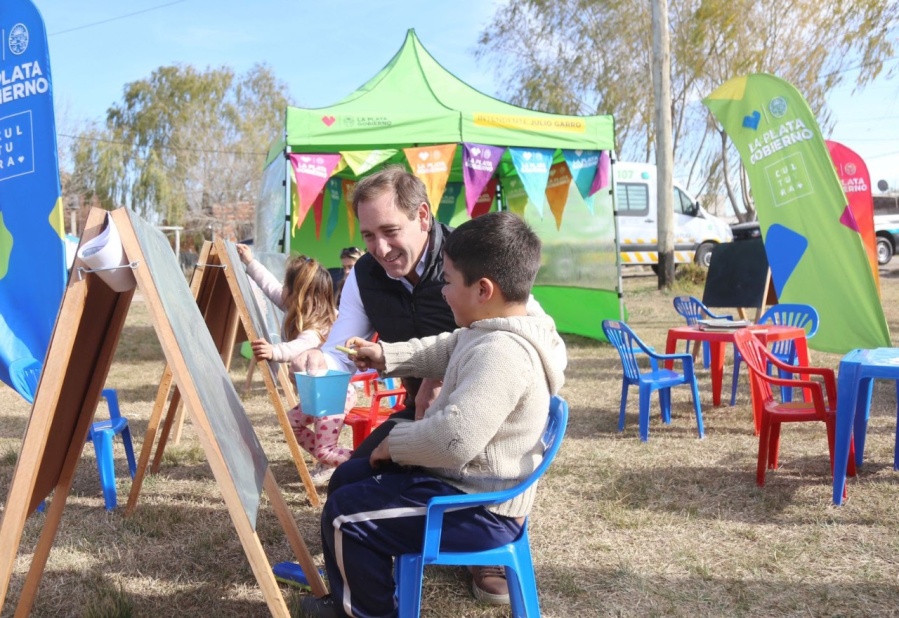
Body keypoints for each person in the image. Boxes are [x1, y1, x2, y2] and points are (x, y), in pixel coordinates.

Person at [293, 165, 565, 604]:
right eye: (367, 235)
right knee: (348, 480)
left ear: (422, 216)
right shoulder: (479, 318)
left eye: (389, 230)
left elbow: (455, 436)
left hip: (473, 485)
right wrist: (380, 355)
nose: (378, 248)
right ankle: (363, 573)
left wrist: (396, 443)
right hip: (453, 450)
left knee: (349, 512)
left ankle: (370, 605)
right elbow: (447, 345)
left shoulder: (479, 262)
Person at [236, 244, 354, 485]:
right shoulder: (296, 309)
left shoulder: (318, 326)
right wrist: (250, 262)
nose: (282, 289)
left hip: (334, 395)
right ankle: (330, 461)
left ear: (298, 293)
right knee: (293, 424)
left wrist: (274, 351)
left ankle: (366, 464)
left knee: (324, 449)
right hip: (316, 395)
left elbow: (299, 347)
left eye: (286, 285)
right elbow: (269, 286)